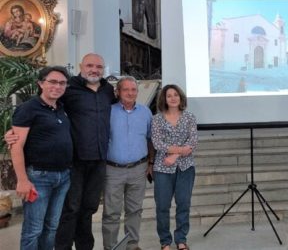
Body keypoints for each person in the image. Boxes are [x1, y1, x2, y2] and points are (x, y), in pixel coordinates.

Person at [4, 53, 116, 250]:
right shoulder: (69, 88)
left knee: (88, 208)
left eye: (99, 67)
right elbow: (39, 110)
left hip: (98, 159)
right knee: (69, 210)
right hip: (73, 162)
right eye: (89, 65)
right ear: (81, 66)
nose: (94, 70)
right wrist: (12, 134)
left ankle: (84, 247)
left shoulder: (107, 90)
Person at [10, 66, 72, 250]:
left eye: (62, 83)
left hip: (63, 177)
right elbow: (16, 146)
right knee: (33, 229)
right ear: (40, 83)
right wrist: (22, 180)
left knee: (52, 227)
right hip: (39, 177)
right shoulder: (28, 108)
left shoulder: (61, 107)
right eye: (52, 81)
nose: (57, 86)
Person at [102, 77, 153, 250]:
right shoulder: (108, 112)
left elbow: (149, 140)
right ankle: (111, 247)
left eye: (133, 90)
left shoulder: (145, 112)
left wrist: (150, 163)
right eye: (126, 90)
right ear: (118, 92)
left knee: (135, 210)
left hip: (138, 169)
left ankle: (132, 245)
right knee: (111, 213)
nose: (130, 93)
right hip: (113, 170)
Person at [151, 84, 198, 250]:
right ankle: (165, 242)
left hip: (186, 168)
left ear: (180, 97)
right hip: (163, 169)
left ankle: (181, 240)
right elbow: (157, 143)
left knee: (183, 205)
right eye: (169, 95)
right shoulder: (157, 119)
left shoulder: (190, 117)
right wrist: (180, 150)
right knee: (162, 206)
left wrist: (175, 155)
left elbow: (192, 142)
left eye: (175, 95)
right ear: (164, 98)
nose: (172, 98)